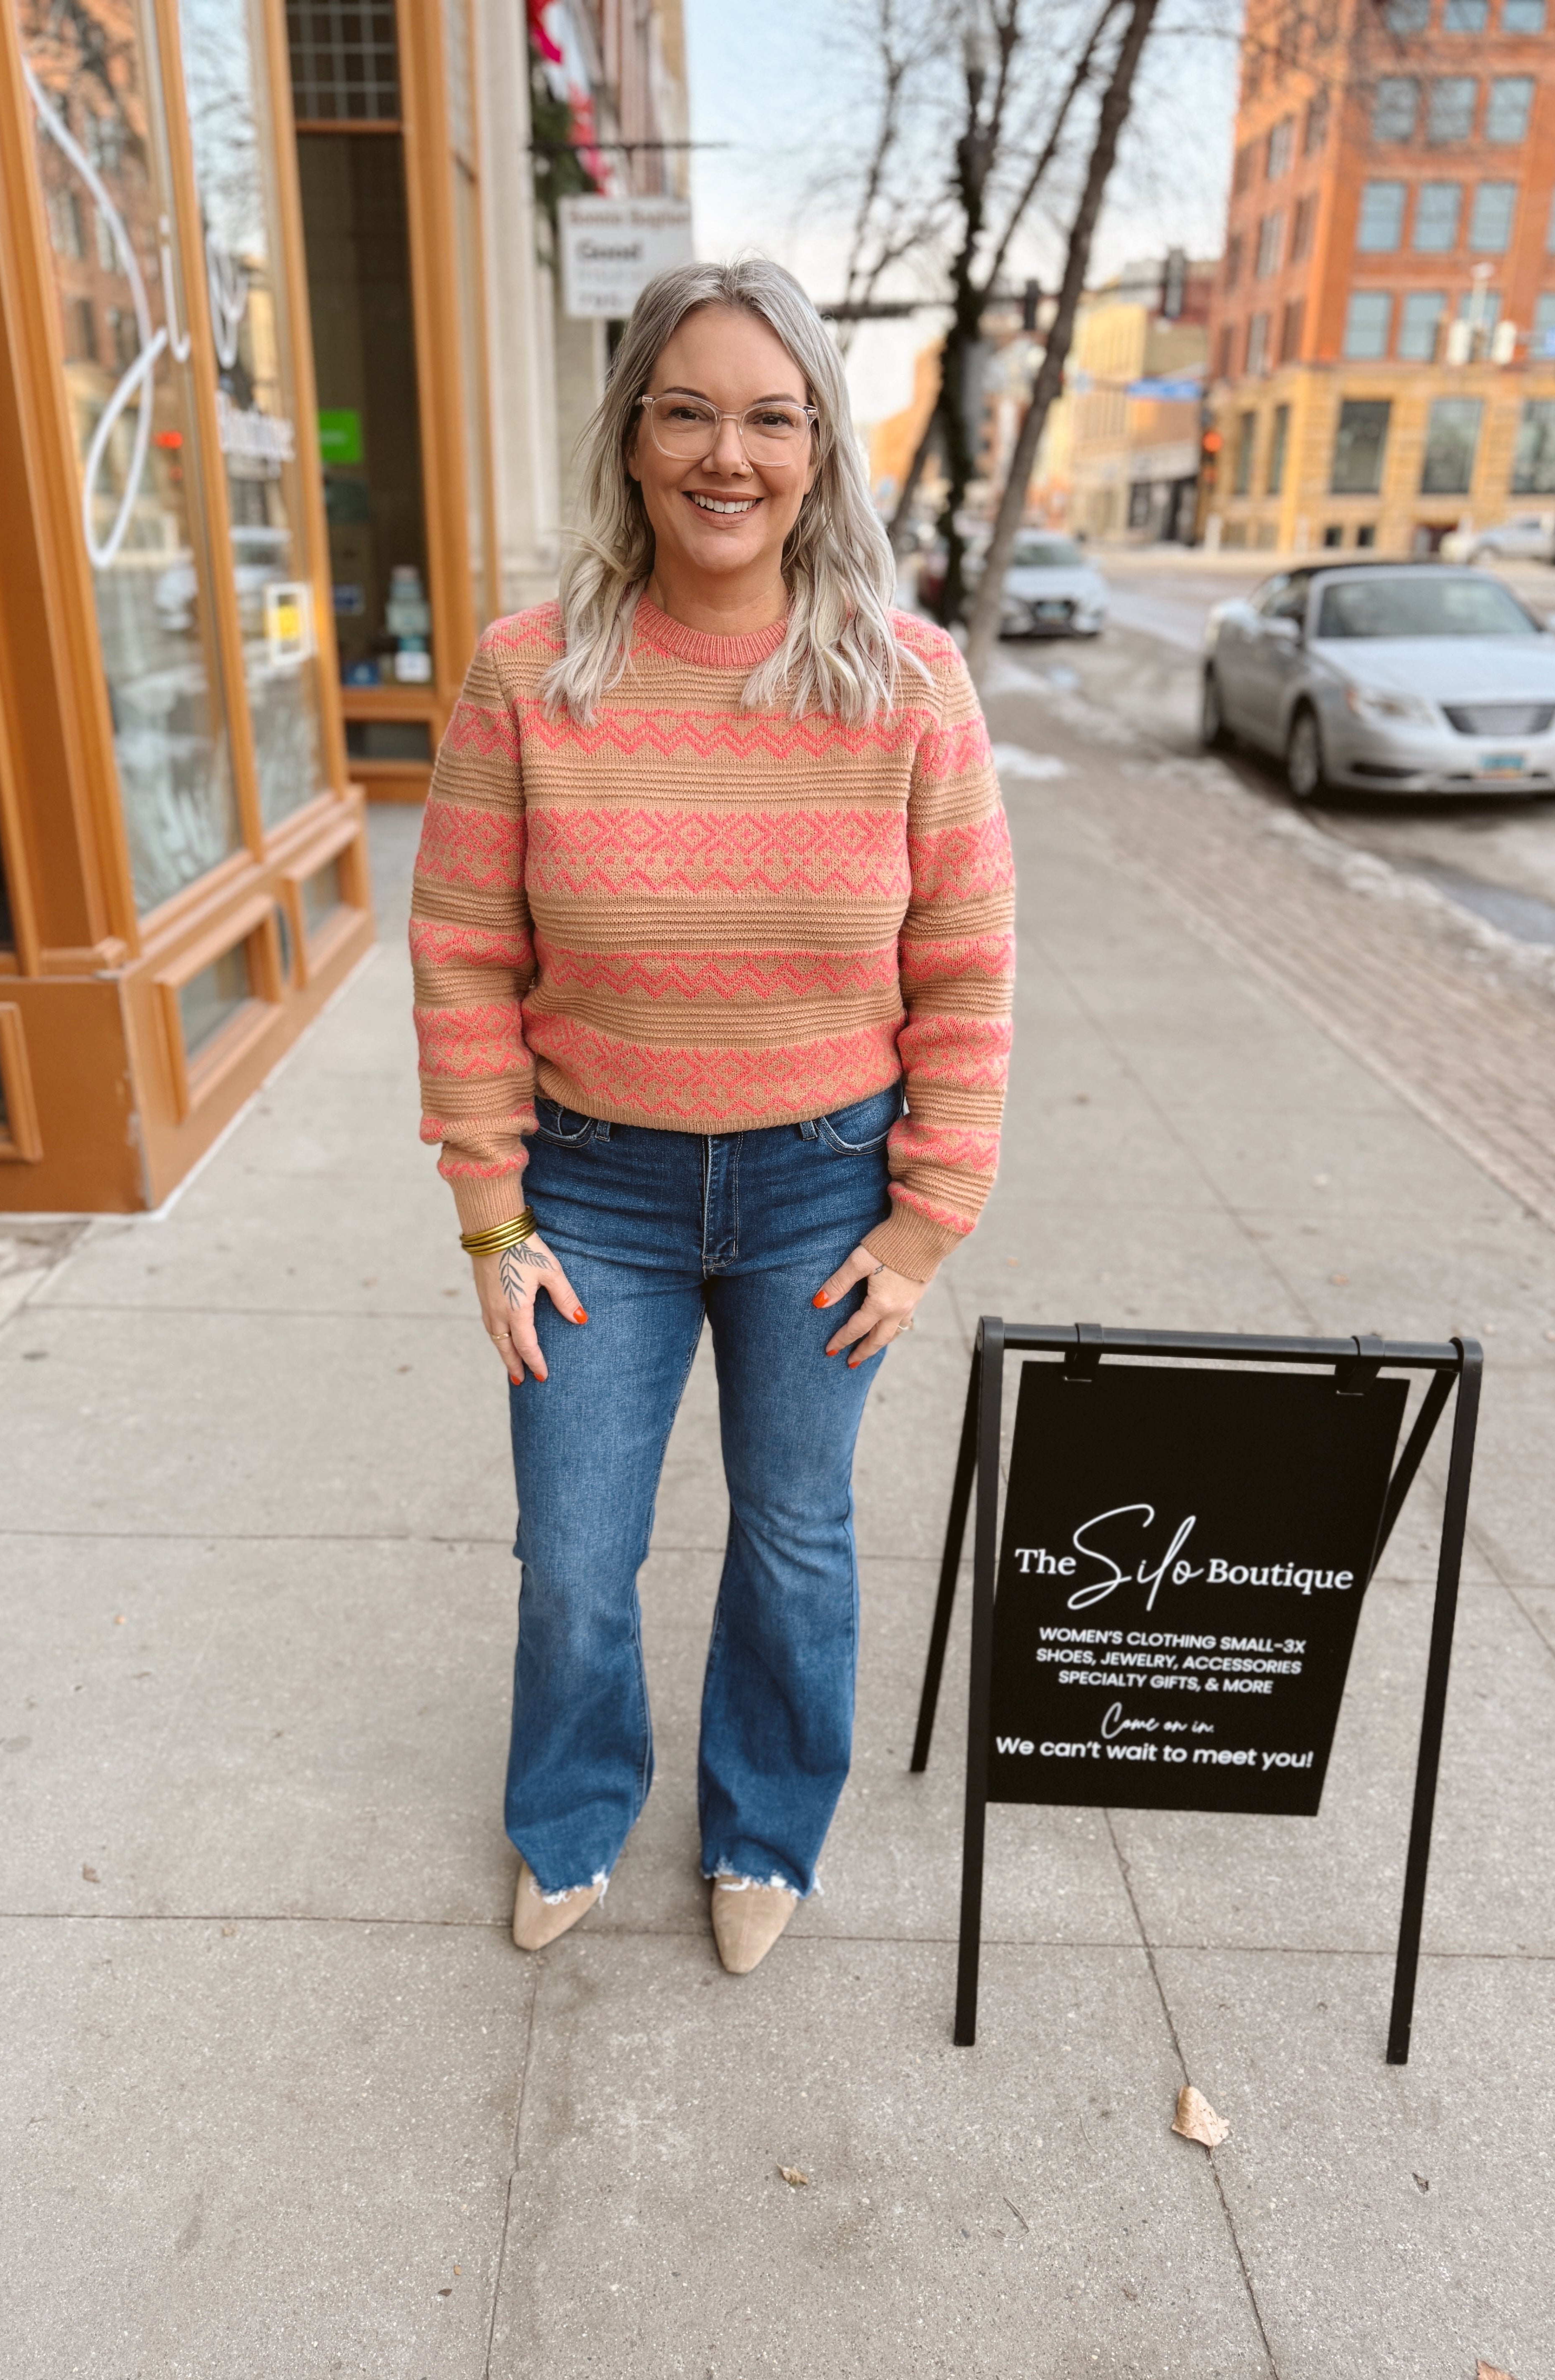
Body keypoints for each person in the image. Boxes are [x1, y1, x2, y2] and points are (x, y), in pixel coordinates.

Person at [411, 258, 1014, 1975]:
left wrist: (927, 1216)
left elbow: (966, 965)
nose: (724, 454)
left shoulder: (906, 686)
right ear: (631, 438)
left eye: (768, 415)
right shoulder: (527, 680)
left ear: (821, 448)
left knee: (798, 1537)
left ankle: (763, 1830)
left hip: (829, 1188)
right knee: (578, 1554)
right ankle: (574, 1811)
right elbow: (460, 953)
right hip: (592, 1192)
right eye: (686, 411)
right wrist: (490, 1208)